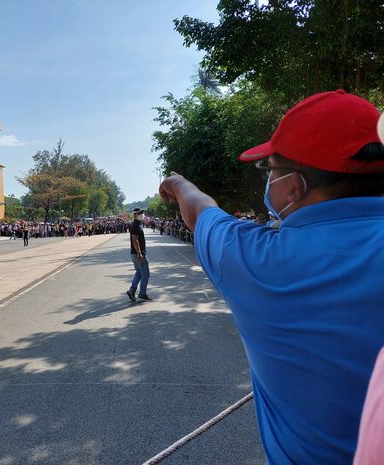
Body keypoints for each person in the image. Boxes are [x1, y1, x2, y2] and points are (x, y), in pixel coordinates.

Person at [158, 90, 384, 465]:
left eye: (271, 169)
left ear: (294, 186)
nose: (268, 180)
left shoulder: (258, 261)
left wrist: (179, 184)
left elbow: (200, 213)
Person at [126, 207, 152, 302]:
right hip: (138, 253)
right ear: (134, 215)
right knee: (146, 274)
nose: (142, 214)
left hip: (135, 253)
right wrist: (139, 253)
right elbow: (135, 240)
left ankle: (132, 290)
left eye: (142, 212)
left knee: (139, 272)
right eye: (139, 213)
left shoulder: (137, 224)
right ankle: (142, 293)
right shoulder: (136, 226)